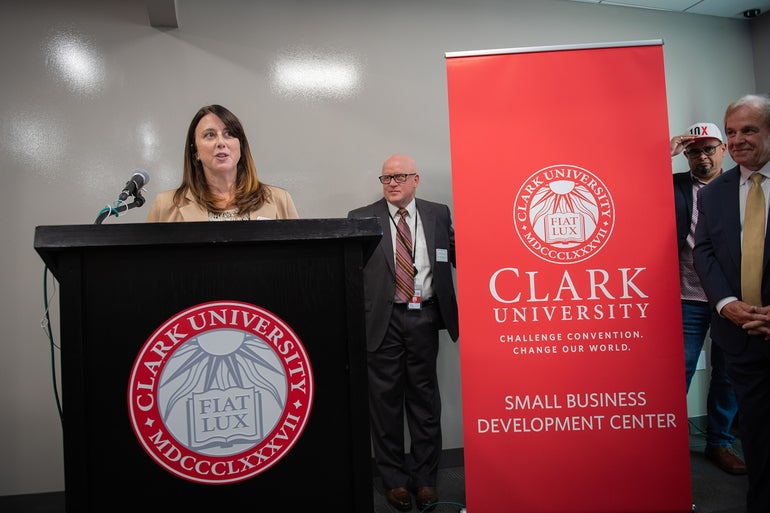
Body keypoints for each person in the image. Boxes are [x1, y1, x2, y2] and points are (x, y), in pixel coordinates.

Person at [347, 154, 459, 512]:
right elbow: (350, 272)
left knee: (425, 403)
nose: (392, 183)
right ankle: (394, 480)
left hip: (425, 317)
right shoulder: (362, 217)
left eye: (400, 177)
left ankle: (425, 480)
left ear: (416, 180)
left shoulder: (438, 213)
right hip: (383, 320)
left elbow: (457, 253)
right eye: (386, 178)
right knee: (385, 404)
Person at [693, 94, 770, 513]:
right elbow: (704, 252)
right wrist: (726, 303)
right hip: (739, 334)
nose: (739, 140)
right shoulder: (715, 193)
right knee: (757, 437)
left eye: (749, 130)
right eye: (733, 131)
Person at [671, 122, 746, 474]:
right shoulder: (673, 184)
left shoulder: (741, 186)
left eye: (709, 148)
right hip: (687, 296)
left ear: (724, 150)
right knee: (678, 371)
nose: (702, 156)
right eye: (694, 150)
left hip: (732, 297)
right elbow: (630, 185)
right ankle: (666, 443)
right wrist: (661, 156)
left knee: (727, 372)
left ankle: (719, 442)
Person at [145, 104, 298, 222]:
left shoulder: (279, 200)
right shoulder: (165, 205)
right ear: (195, 151)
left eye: (229, 134)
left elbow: (299, 260)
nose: (221, 142)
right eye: (210, 135)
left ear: (240, 145)